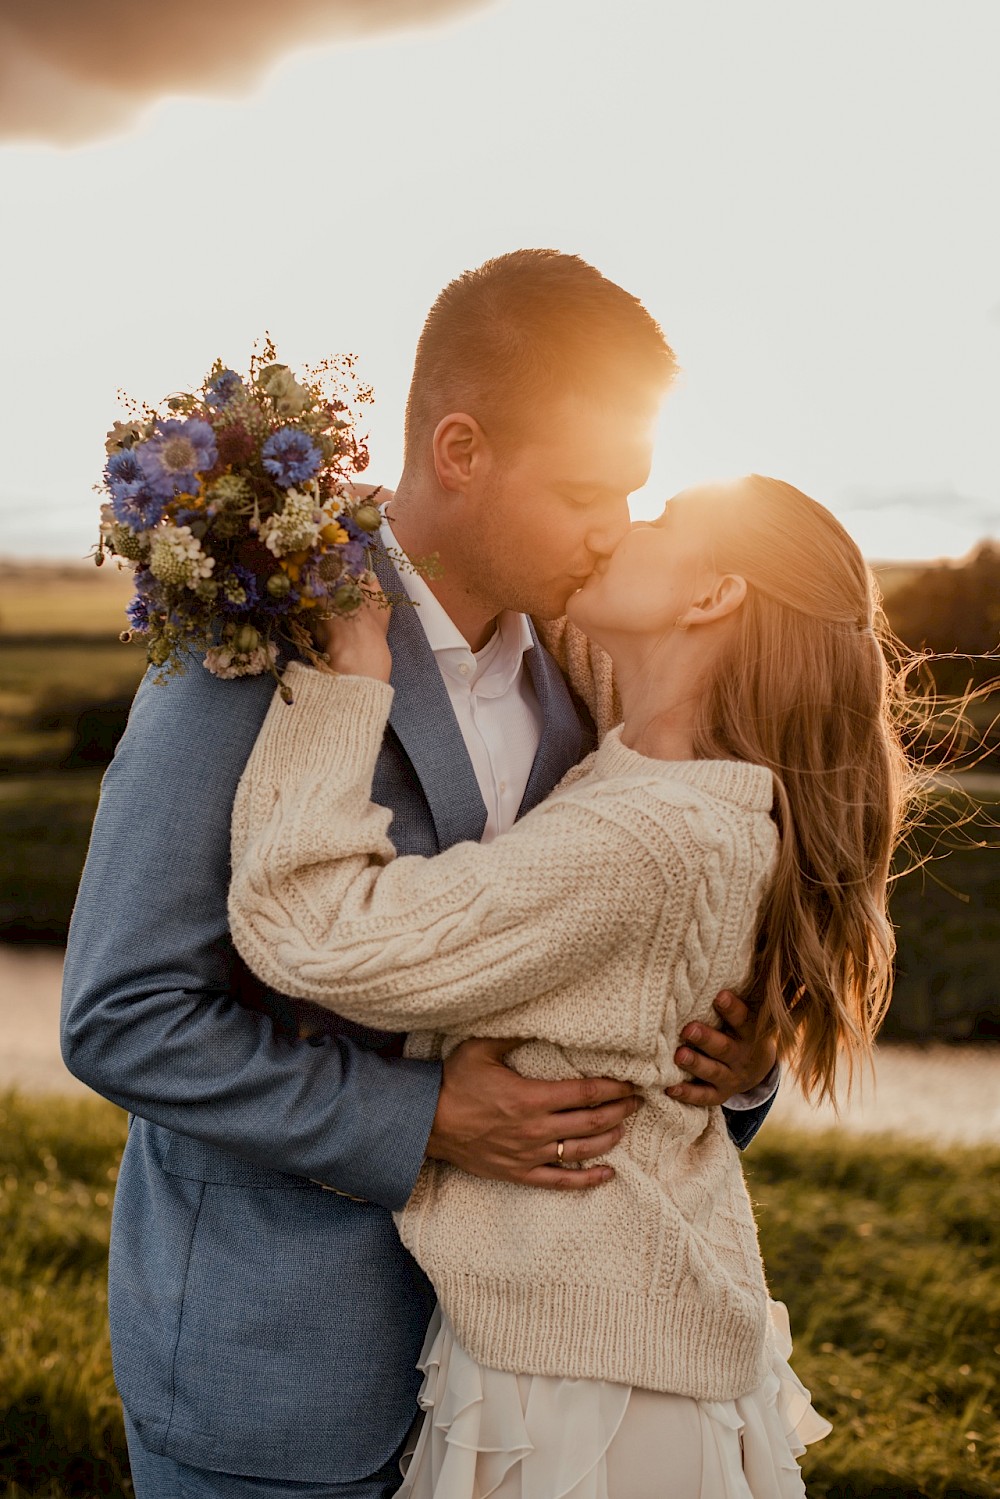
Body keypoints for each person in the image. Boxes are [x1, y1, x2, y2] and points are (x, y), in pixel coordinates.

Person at [60, 250, 780, 1499]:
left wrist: (738, 1065)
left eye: (633, 492)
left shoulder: (589, 662)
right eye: (581, 490)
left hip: (521, 1383)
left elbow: (601, 966)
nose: (614, 527)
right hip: (277, 1376)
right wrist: (422, 1119)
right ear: (459, 448)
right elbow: (120, 1014)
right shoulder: (256, 651)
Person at [228, 473, 909, 1497]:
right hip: (606, 1344)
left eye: (658, 519)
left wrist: (347, 677)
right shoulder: (683, 763)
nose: (616, 530)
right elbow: (582, 614)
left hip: (588, 1403)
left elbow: (311, 932)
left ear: (714, 594)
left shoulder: (647, 836)